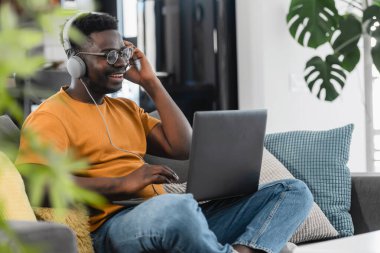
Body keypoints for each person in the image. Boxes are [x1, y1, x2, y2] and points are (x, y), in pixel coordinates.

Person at [16, 12, 313, 253]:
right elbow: (35, 185)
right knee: (177, 207)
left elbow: (183, 148)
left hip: (171, 218)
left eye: (123, 52)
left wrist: (151, 83)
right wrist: (123, 184)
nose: (121, 62)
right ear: (75, 62)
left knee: (294, 192)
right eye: (108, 56)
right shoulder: (50, 116)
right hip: (112, 227)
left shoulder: (126, 110)